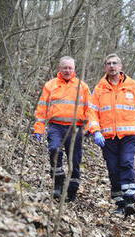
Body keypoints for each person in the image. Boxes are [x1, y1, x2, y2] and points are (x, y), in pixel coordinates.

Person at [89, 53, 135, 216]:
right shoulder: (99, 89)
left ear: (120, 67)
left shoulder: (132, 86)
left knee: (126, 163)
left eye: (115, 63)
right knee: (113, 169)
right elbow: (92, 112)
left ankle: (130, 199)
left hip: (128, 135)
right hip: (108, 137)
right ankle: (119, 203)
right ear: (105, 67)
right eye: (109, 63)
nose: (112, 66)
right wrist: (96, 131)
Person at [33, 56, 91, 202]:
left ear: (74, 69)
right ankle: (57, 183)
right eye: (65, 67)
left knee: (75, 160)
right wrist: (39, 128)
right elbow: (41, 109)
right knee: (54, 150)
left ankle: (72, 191)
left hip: (75, 128)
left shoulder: (82, 87)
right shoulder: (50, 85)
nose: (67, 70)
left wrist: (89, 128)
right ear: (59, 69)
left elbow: (90, 109)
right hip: (56, 126)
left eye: (70, 68)